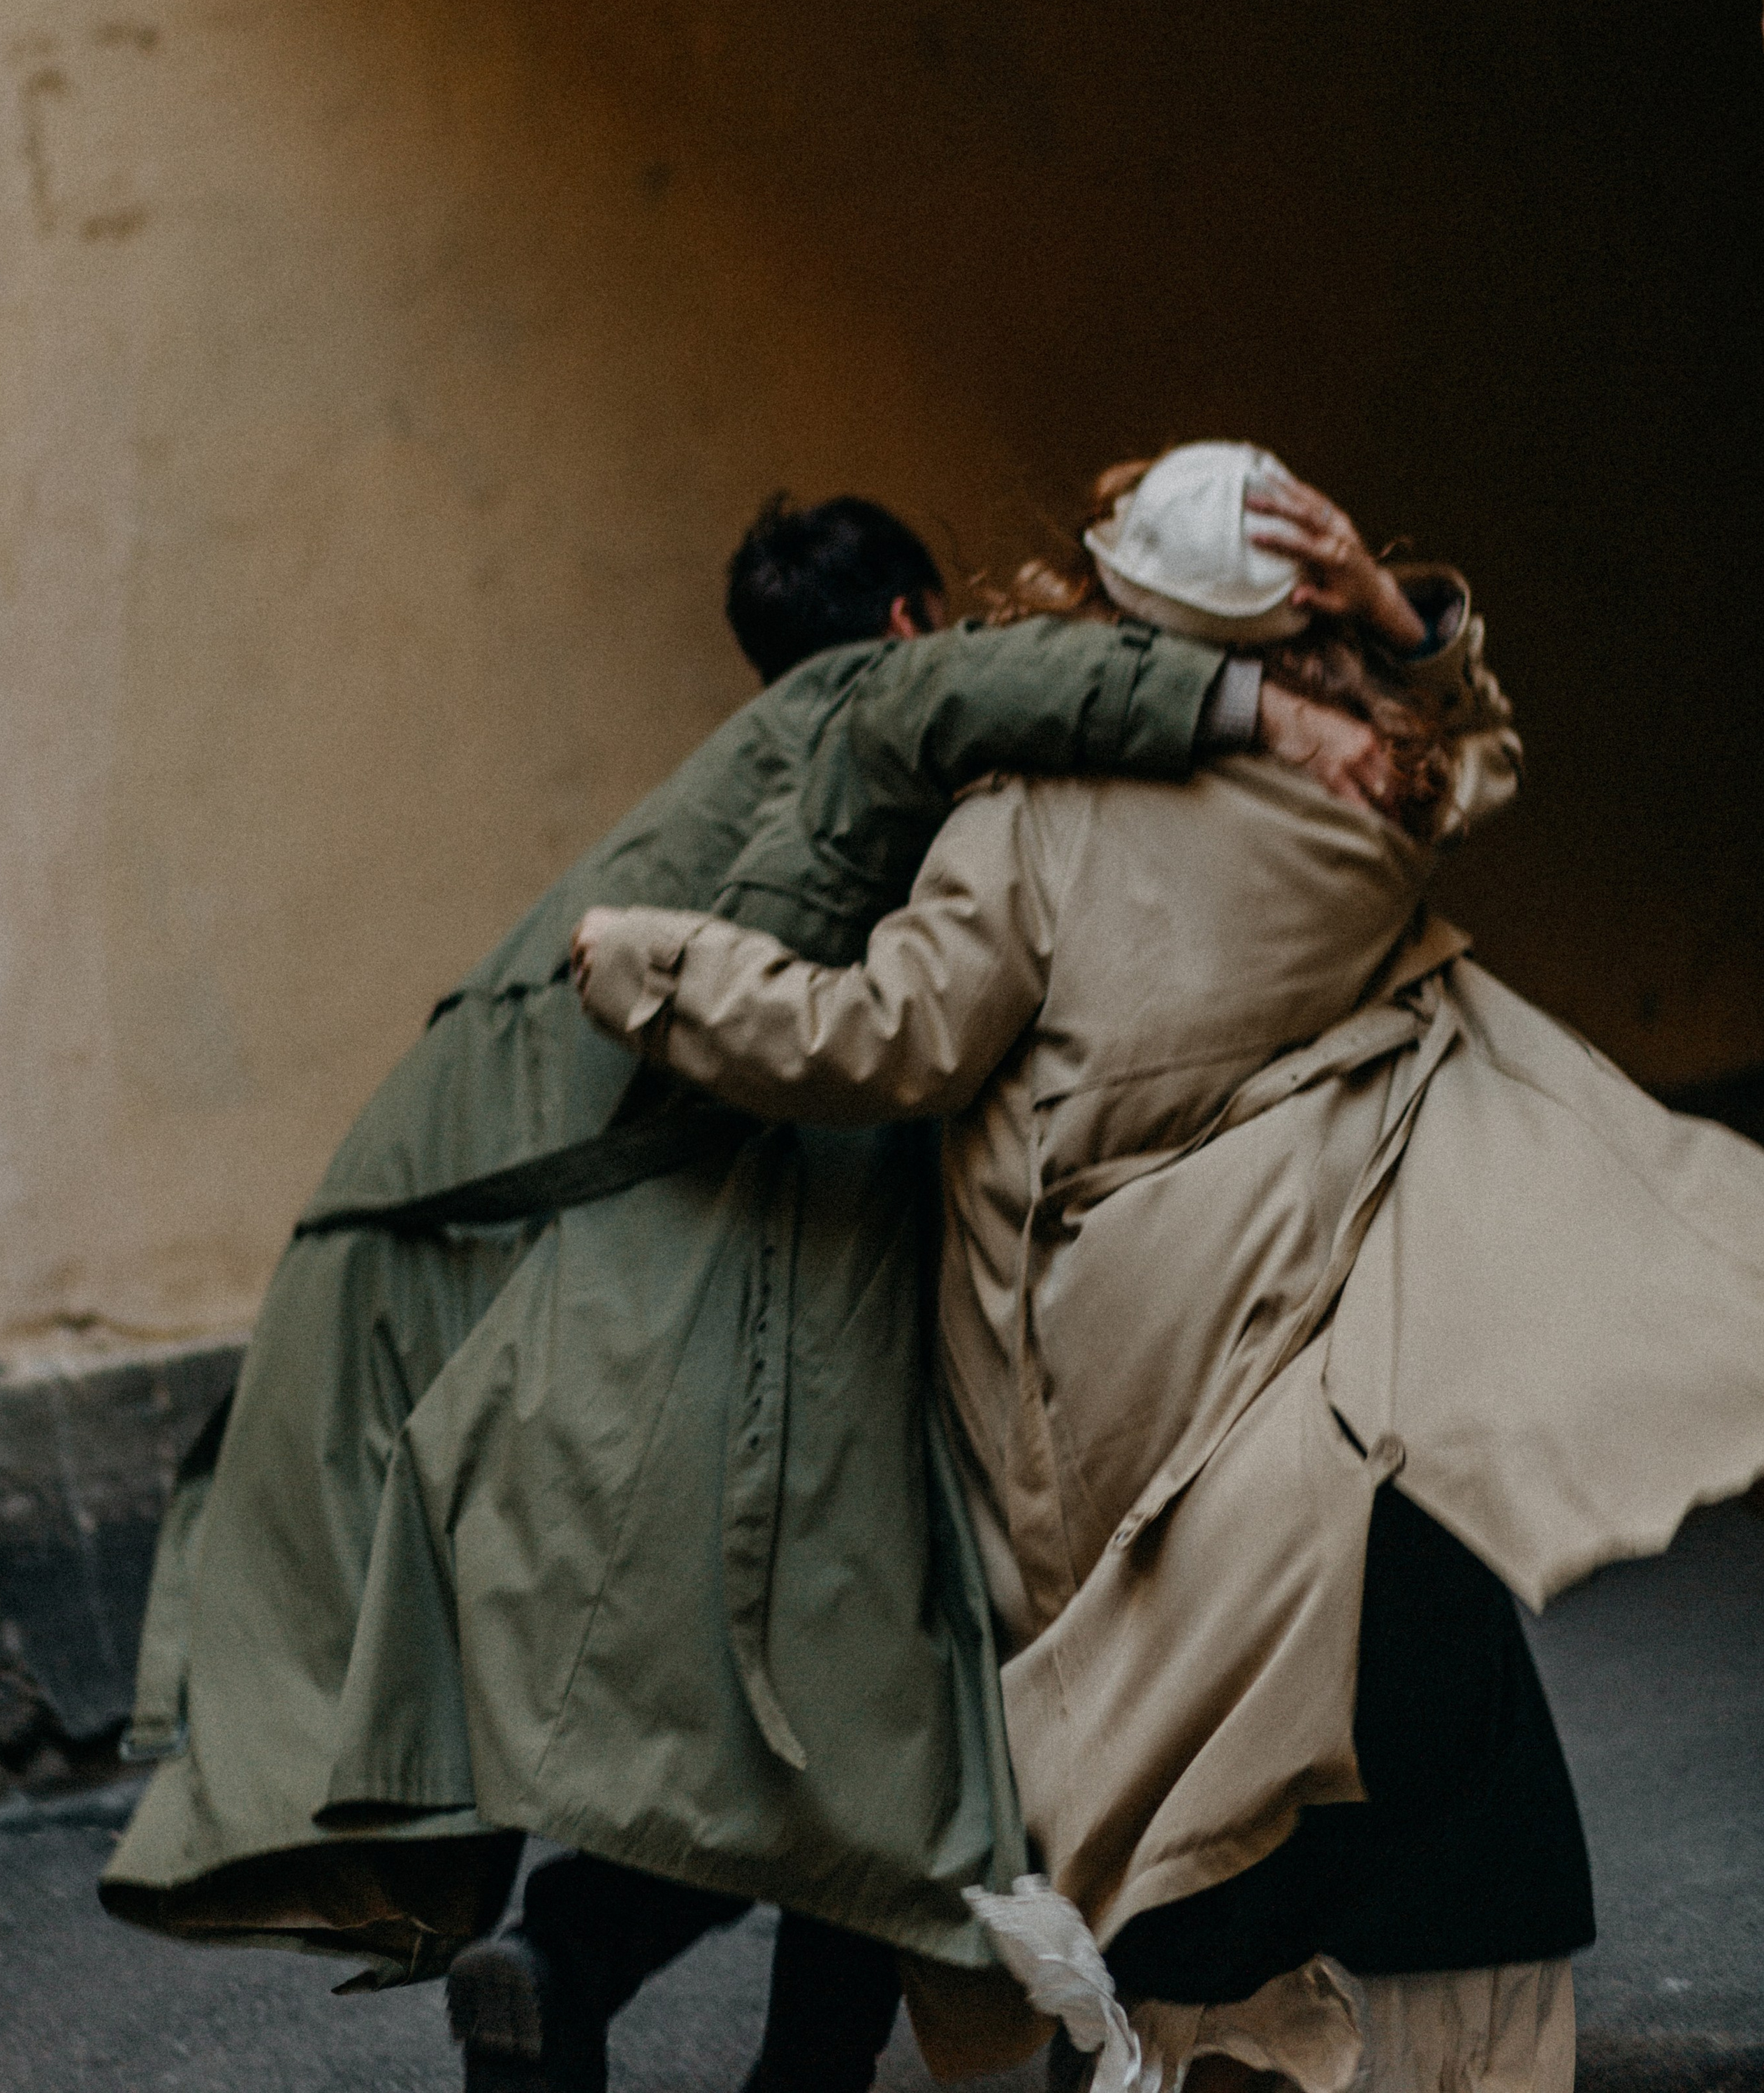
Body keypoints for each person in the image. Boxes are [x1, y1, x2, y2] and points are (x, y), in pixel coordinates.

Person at [103, 482, 1386, 2093]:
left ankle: (560, 1961)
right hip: (764, 1315)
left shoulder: (737, 786)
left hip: (575, 1303)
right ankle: (660, 2003)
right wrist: (1265, 708)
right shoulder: (872, 699)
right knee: (875, 1733)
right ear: (908, 622)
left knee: (776, 1739)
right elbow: (954, 732)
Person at [571, 442, 1764, 2093]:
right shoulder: (1364, 792)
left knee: (1128, 1746)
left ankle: (1156, 2041)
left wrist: (653, 965)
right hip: (1320, 1323)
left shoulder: (1025, 814)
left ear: (1099, 610)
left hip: (1103, 1375)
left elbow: (883, 1039)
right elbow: (1469, 751)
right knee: (1396, 1692)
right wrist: (1391, 616)